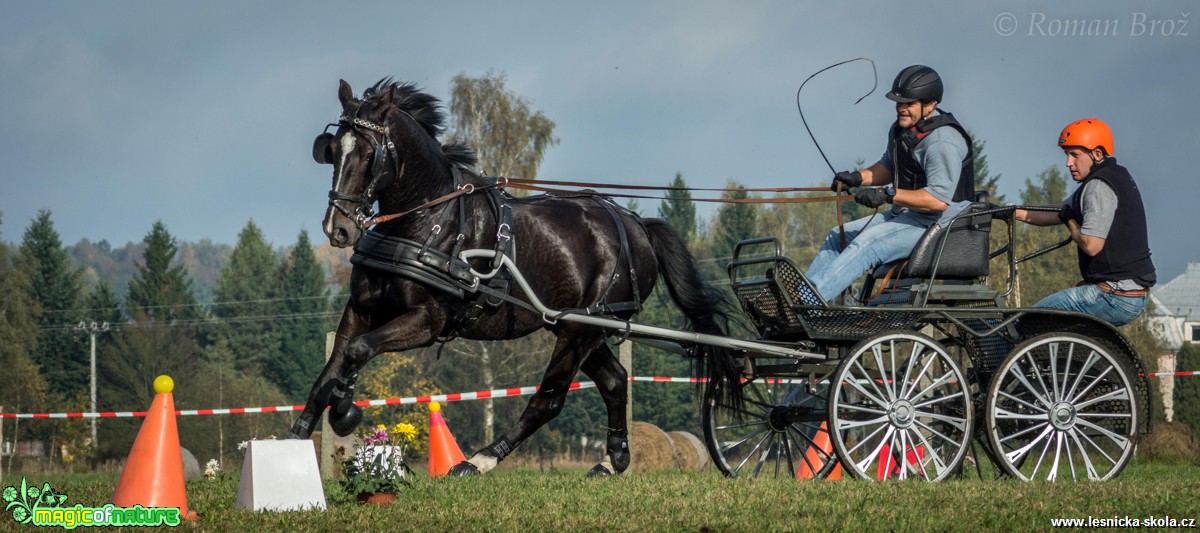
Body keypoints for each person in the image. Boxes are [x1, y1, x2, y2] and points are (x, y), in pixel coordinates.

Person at [805, 65, 976, 302]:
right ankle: (804, 301)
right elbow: (889, 166)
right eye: (898, 102)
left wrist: (887, 195)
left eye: (909, 103)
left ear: (930, 105)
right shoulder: (903, 130)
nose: (901, 109)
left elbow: (937, 201)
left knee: (868, 243)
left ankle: (809, 302)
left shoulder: (941, 141)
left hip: (939, 226)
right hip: (905, 216)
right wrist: (857, 177)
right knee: (838, 235)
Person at [1014, 118, 1155, 326]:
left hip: (1116, 296)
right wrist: (1013, 212)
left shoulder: (1098, 186)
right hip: (1126, 293)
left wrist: (1070, 221)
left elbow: (1091, 244)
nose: (1068, 163)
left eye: (1075, 155)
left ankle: (1021, 357)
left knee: (1028, 321)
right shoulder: (1114, 176)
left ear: (1097, 154)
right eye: (1066, 155)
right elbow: (1057, 211)